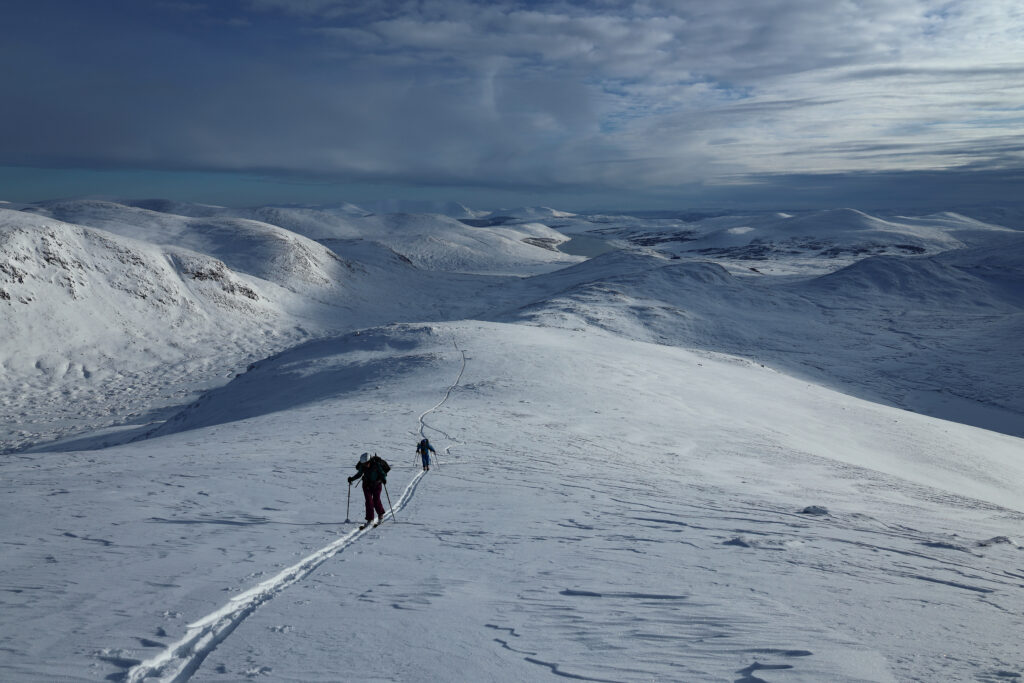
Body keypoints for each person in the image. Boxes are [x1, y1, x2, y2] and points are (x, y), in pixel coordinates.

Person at [348, 452, 390, 529]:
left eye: (366, 463)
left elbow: (382, 473)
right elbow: (359, 474)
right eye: (364, 464)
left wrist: (384, 479)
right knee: (369, 501)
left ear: (369, 461)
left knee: (376, 500)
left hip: (377, 485)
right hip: (366, 485)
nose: (365, 465)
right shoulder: (363, 466)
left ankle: (380, 515)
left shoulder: (376, 465)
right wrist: (352, 479)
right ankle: (370, 519)